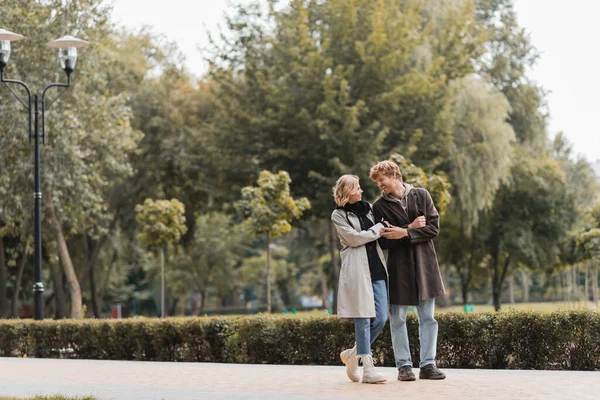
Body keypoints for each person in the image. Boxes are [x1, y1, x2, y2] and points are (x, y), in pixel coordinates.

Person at [369, 160, 447, 381]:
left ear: (394, 174)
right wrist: (411, 228)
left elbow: (433, 228)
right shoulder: (379, 207)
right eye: (377, 183)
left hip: (426, 266)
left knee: (428, 317)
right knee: (398, 319)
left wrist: (402, 233)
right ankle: (404, 366)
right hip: (399, 268)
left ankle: (428, 365)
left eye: (381, 180)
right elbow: (385, 242)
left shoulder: (421, 195)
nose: (380, 185)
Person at [331, 174, 388, 384]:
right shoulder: (338, 215)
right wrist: (377, 229)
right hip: (357, 270)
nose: (361, 190)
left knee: (381, 318)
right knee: (363, 318)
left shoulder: (370, 209)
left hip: (377, 269)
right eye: (357, 188)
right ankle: (368, 369)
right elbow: (354, 239)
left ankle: (352, 355)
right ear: (347, 192)